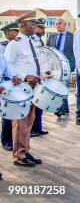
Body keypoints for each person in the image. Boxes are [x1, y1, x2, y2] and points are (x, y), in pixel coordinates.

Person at [4, 11, 51, 166]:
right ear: (23, 25)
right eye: (32, 24)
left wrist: (44, 73)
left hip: (33, 87)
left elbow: (33, 64)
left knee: (29, 121)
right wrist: (24, 77)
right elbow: (7, 66)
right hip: (21, 88)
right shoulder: (14, 44)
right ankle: (19, 155)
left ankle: (25, 150)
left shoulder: (32, 43)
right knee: (20, 122)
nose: (35, 27)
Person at [47, 18, 75, 117]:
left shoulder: (72, 37)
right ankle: (64, 109)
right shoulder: (51, 37)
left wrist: (73, 65)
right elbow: (48, 52)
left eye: (60, 23)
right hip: (55, 66)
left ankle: (60, 109)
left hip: (66, 65)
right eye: (56, 24)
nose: (57, 25)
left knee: (62, 86)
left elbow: (75, 52)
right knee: (59, 86)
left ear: (65, 24)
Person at [0, 23, 19, 151]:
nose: (17, 33)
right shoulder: (2, 47)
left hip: (12, 82)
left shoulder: (19, 44)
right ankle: (6, 140)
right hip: (3, 84)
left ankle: (12, 139)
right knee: (6, 112)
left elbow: (6, 67)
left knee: (12, 111)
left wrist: (15, 77)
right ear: (7, 32)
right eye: (14, 31)